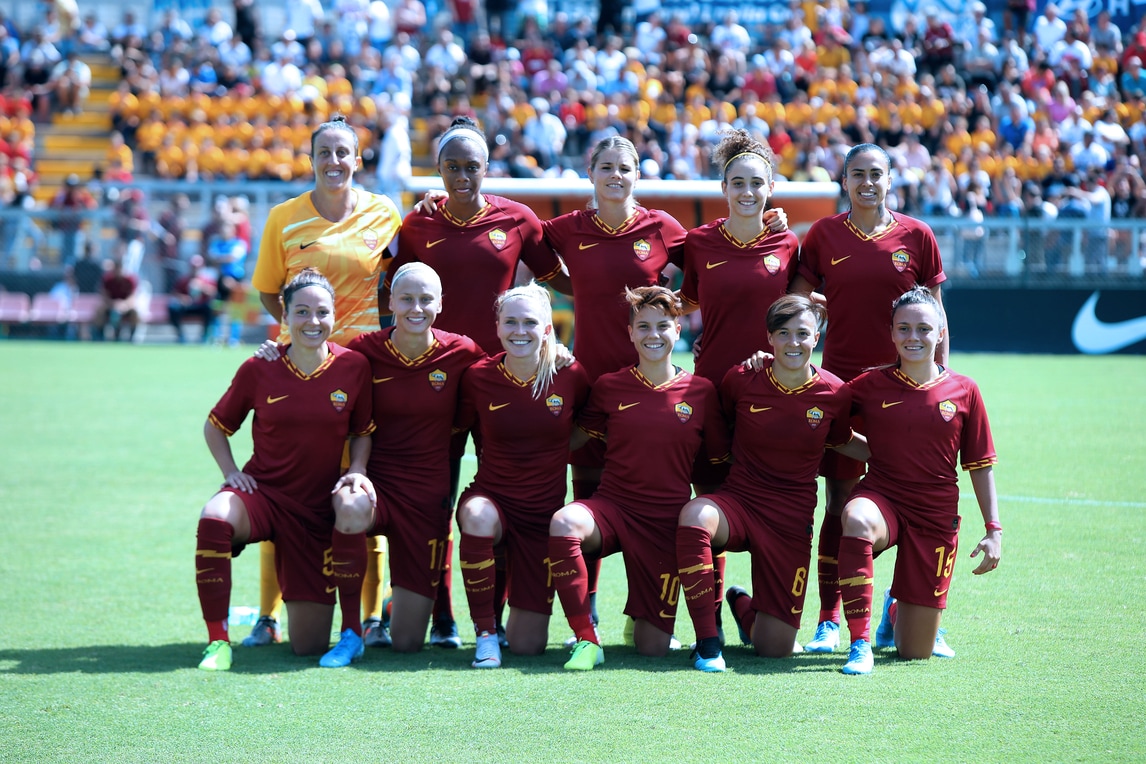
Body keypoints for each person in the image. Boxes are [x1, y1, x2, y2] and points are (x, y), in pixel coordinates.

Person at [382, 116, 571, 648]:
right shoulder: (417, 224)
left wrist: (627, 291)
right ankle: (441, 617)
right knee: (435, 501)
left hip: (502, 386)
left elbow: (561, 282)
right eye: (452, 166)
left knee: (502, 500)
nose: (462, 176)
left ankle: (497, 617)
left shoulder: (518, 219)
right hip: (433, 385)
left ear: (488, 167)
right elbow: (391, 293)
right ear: (438, 169)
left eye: (472, 166)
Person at [247, 115, 401, 651]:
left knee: (360, 488)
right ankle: (267, 616)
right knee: (283, 491)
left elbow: (401, 277)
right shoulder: (283, 218)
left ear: (357, 160)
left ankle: (372, 618)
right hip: (297, 374)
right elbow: (270, 291)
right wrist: (298, 338)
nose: (334, 162)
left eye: (343, 153)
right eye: (324, 153)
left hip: (365, 374)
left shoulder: (385, 213)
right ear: (311, 159)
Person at [790, 143, 948, 655]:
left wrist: (942, 378)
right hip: (841, 390)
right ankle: (829, 620)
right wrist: (822, 306)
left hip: (907, 393)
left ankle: (906, 609)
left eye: (876, 173)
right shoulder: (824, 234)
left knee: (916, 502)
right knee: (839, 503)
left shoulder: (917, 235)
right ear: (844, 180)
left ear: (890, 179)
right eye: (857, 173)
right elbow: (796, 301)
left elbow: (936, 316)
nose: (867, 182)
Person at [194, 268, 377, 671]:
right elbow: (215, 426)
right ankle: (218, 642)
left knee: (308, 646)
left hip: (315, 511)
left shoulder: (354, 367)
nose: (313, 321)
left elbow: (362, 432)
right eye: (302, 311)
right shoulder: (260, 367)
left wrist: (358, 468)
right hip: (263, 496)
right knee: (215, 517)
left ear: (335, 315)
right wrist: (230, 473)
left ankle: (350, 633)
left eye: (322, 312)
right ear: (285, 316)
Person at [677, 295, 866, 672]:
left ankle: (742, 605)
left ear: (816, 338)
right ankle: (708, 643)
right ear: (769, 338)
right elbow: (718, 426)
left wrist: (903, 458)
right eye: (783, 333)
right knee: (695, 516)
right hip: (740, 502)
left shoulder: (835, 392)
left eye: (802, 333)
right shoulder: (742, 378)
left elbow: (843, 440)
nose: (793, 342)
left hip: (791, 520)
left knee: (776, 648)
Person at [548, 286, 729, 670]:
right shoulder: (609, 386)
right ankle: (587, 638)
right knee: (565, 523)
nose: (653, 335)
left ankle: (646, 618)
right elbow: (572, 439)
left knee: (653, 649)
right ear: (630, 333)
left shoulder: (701, 392)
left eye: (662, 326)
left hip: (665, 523)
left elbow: (717, 461)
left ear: (678, 330)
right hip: (613, 509)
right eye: (643, 326)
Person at [836, 286, 1001, 675]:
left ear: (940, 333)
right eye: (904, 328)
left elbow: (979, 464)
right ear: (892, 333)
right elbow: (831, 428)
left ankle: (894, 610)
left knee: (914, 652)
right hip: (882, 498)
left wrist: (994, 529)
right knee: (857, 519)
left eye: (924, 329)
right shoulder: (868, 385)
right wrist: (877, 453)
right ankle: (859, 645)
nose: (914, 337)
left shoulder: (965, 390)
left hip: (935, 515)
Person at [342, 262, 484, 652]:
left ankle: (395, 605)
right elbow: (322, 372)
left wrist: (553, 352)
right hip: (374, 487)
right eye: (406, 299)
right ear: (390, 302)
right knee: (347, 507)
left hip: (425, 496)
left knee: (407, 644)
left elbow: (503, 376)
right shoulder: (364, 349)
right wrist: (275, 353)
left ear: (440, 303)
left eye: (425, 299)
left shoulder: (462, 351)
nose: (416, 308)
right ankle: (352, 629)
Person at [454, 283, 590, 667]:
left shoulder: (570, 373)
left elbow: (587, 427)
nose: (519, 330)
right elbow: (461, 427)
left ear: (547, 329)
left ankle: (508, 621)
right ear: (497, 327)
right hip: (492, 499)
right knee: (477, 517)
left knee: (528, 645)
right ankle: (485, 634)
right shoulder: (478, 376)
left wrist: (552, 448)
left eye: (530, 322)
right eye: (510, 322)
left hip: (541, 518)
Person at [93, 258, 140, 342]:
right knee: (100, 311)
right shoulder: (108, 280)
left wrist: (124, 304)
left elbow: (132, 297)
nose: (119, 271)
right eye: (117, 269)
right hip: (110, 305)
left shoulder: (130, 280)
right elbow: (104, 295)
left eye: (120, 269)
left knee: (135, 312)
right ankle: (100, 337)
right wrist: (114, 304)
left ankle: (132, 337)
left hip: (126, 306)